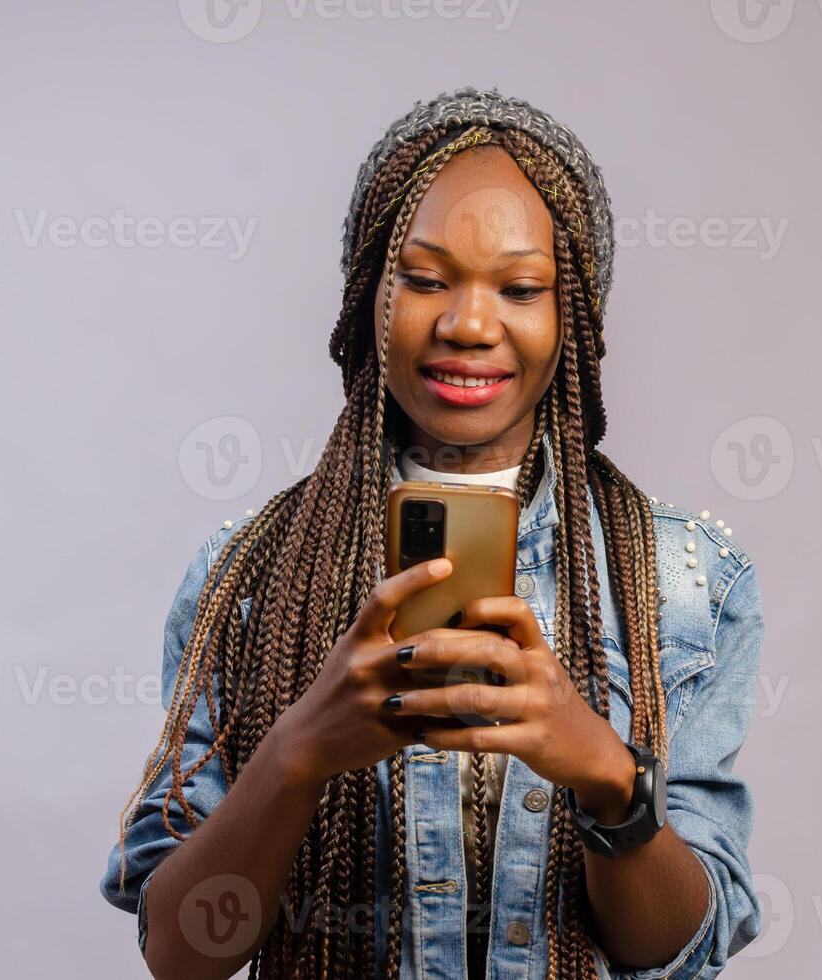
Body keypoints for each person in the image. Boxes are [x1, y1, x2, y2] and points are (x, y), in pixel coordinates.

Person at [100, 85, 765, 980]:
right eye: (424, 278)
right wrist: (297, 754)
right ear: (368, 296)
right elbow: (184, 953)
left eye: (521, 287)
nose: (469, 323)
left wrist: (611, 779)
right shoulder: (249, 576)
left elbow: (678, 952)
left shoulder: (686, 581)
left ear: (574, 318)